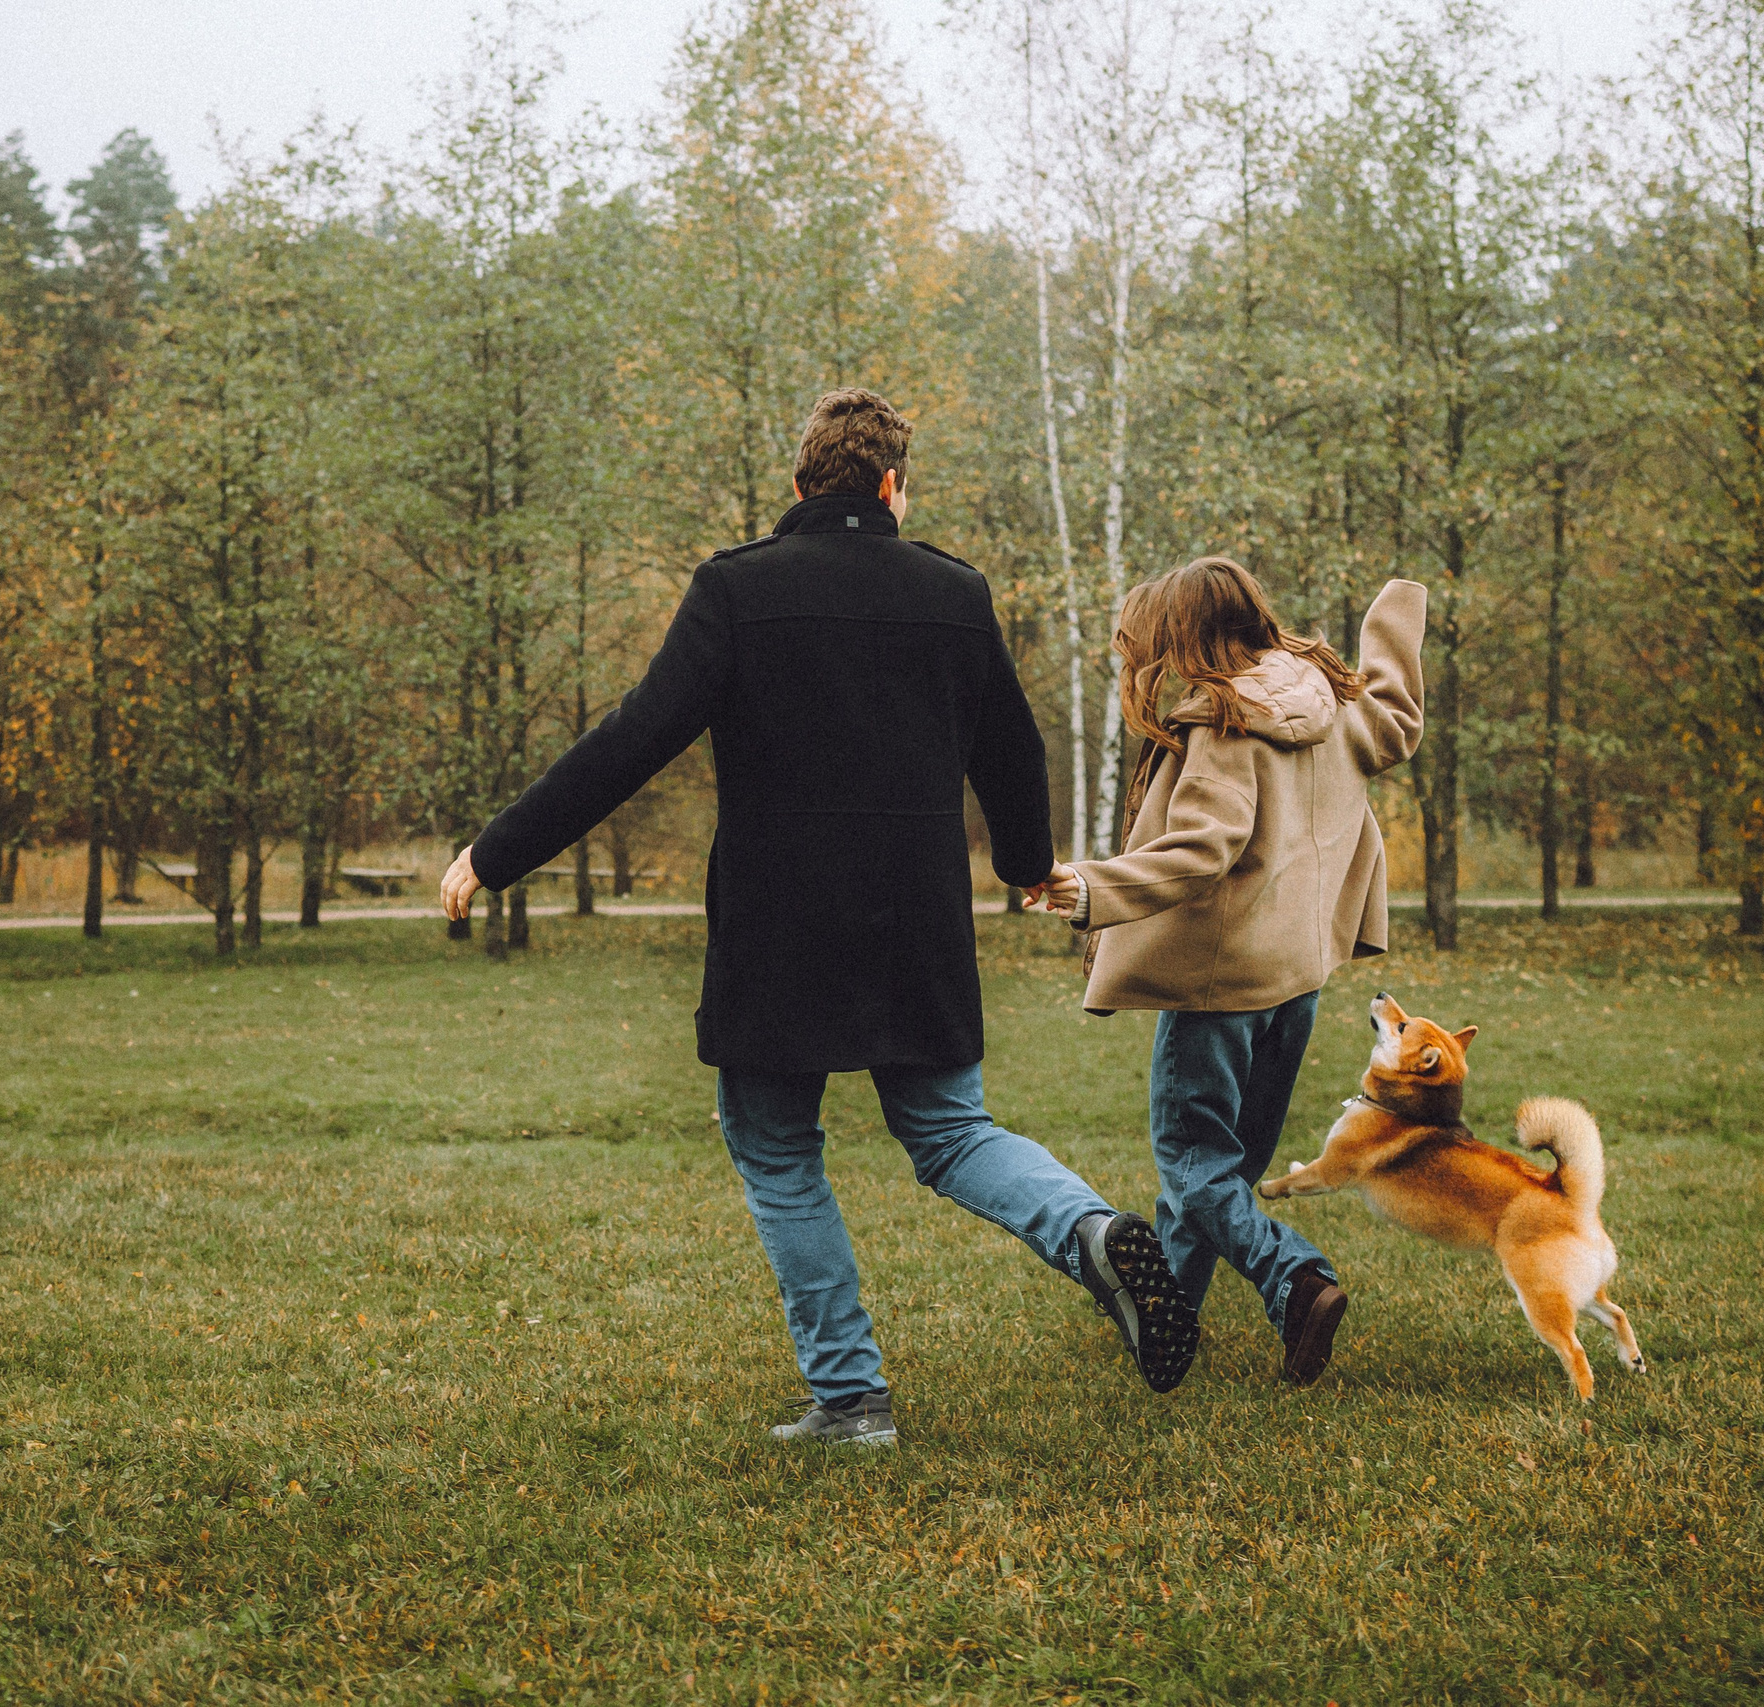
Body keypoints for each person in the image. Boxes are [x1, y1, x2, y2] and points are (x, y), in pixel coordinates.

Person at [438, 389, 1200, 1447]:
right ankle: (1087, 1230)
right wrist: (1027, 868)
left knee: (776, 1145)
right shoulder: (954, 591)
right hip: (916, 916)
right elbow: (1012, 751)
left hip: (775, 921)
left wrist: (495, 852)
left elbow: (632, 739)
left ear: (797, 489)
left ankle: (849, 1398)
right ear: (892, 488)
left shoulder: (737, 589)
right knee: (947, 1130)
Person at [1037, 558, 1426, 1386]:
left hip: (1220, 989)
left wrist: (1091, 888)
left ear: (1191, 634)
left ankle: (1297, 1280)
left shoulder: (1226, 719)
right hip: (1298, 982)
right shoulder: (1330, 695)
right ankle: (1169, 1321)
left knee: (1192, 1159)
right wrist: (1396, 608)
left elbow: (1203, 846)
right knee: (1222, 1169)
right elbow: (1396, 714)